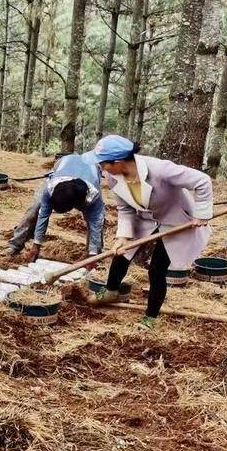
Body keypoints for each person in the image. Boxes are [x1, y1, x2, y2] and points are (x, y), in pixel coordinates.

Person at [87, 134, 213, 328]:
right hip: (145, 217)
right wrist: (122, 236)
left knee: (157, 269)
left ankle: (151, 317)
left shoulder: (160, 170)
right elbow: (125, 208)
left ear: (119, 162)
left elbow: (202, 181)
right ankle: (111, 291)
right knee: (121, 252)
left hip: (175, 219)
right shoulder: (113, 177)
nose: (101, 168)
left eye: (104, 164)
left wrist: (203, 213)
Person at [6, 149, 106, 261]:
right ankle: (15, 245)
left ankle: (94, 254)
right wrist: (36, 245)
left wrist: (92, 256)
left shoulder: (93, 197)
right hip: (65, 164)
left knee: (96, 220)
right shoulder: (50, 189)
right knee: (35, 209)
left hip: (90, 172)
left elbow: (96, 224)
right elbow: (43, 215)